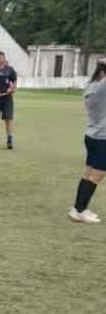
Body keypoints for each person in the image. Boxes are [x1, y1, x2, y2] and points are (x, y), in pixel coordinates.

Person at [68, 58, 106, 224]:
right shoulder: (101, 87)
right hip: (102, 137)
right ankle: (80, 211)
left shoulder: (90, 86)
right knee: (96, 176)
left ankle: (78, 207)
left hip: (92, 135)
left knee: (87, 174)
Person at [0, 51, 18, 149]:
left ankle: (9, 140)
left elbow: (14, 82)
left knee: (8, 119)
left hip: (7, 99)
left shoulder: (10, 70)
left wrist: (11, 88)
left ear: (4, 59)